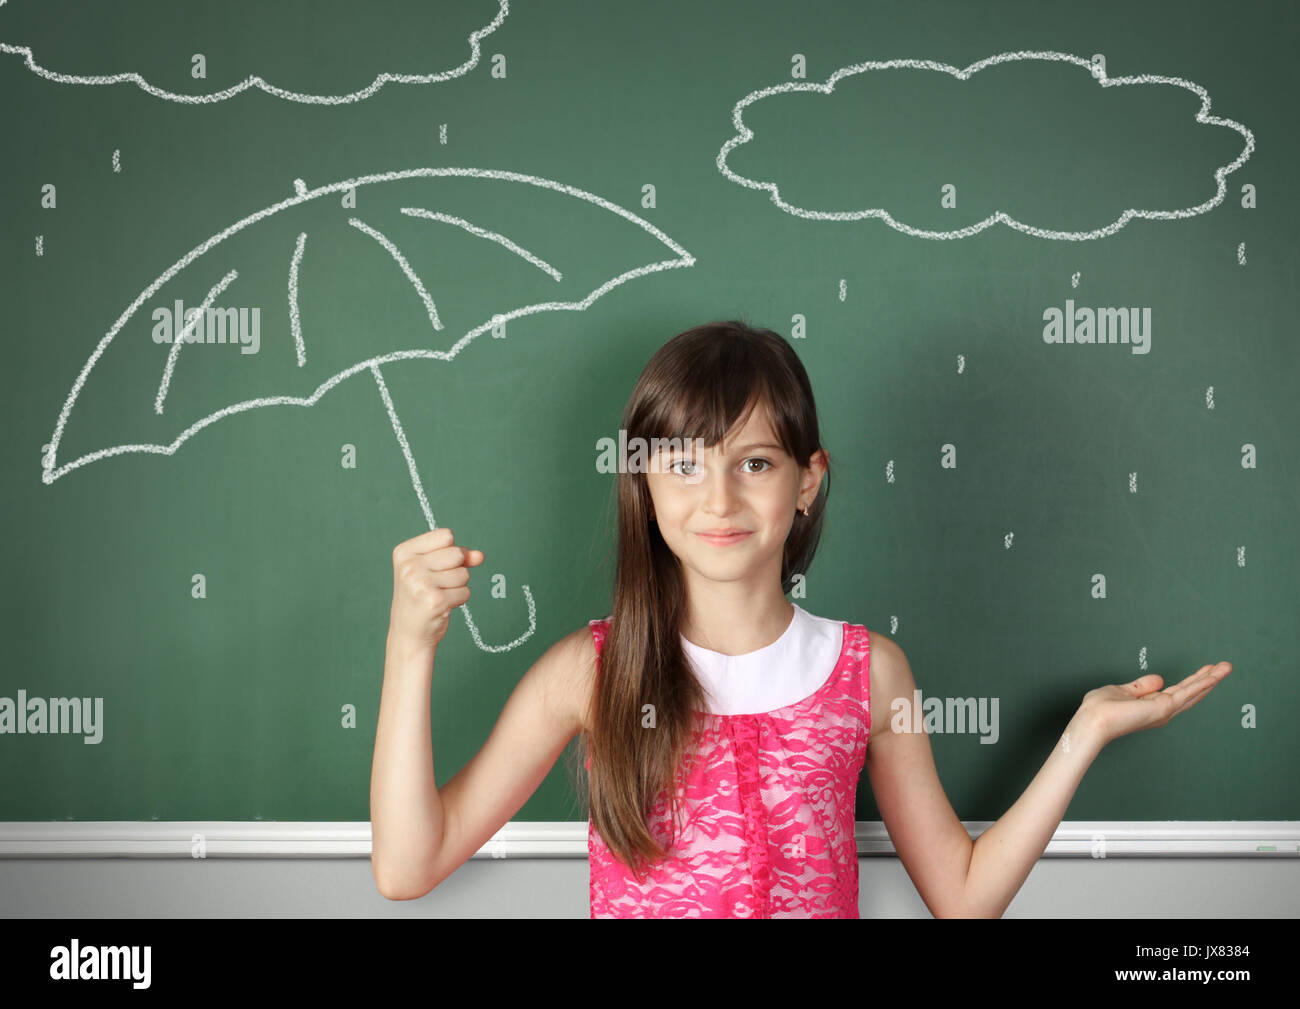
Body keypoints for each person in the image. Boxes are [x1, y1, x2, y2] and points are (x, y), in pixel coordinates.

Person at [368, 319, 1232, 917]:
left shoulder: (869, 671)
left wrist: (1081, 734)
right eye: (682, 464)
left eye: (754, 462)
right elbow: (408, 866)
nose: (718, 498)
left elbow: (964, 897)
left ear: (807, 479)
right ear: (644, 483)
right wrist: (410, 647)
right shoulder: (592, 671)